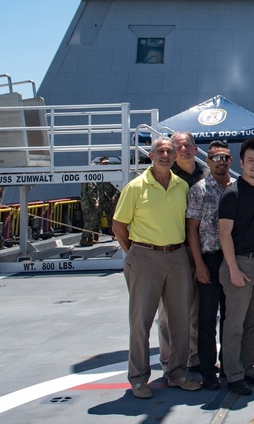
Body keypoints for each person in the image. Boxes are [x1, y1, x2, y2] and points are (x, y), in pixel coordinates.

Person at [111, 137, 201, 399]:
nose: (165, 155)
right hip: (145, 257)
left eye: (169, 152)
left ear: (175, 157)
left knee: (180, 320)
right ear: (150, 156)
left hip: (177, 256)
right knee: (141, 321)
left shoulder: (181, 186)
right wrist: (136, 254)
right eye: (160, 151)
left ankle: (177, 373)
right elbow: (119, 226)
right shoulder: (136, 187)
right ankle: (138, 378)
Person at [218, 138, 254, 395]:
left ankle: (248, 369)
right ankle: (233, 375)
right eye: (250, 160)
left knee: (253, 323)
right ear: (240, 163)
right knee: (234, 325)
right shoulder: (231, 194)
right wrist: (233, 269)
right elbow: (224, 234)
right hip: (238, 264)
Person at [186, 140, 234, 390]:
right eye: (216, 158)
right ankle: (208, 370)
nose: (221, 162)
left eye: (225, 157)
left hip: (232, 260)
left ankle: (229, 367)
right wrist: (199, 264)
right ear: (208, 161)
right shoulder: (200, 189)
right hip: (210, 257)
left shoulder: (237, 187)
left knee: (231, 316)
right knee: (207, 318)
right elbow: (192, 229)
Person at [159, 131, 208, 372]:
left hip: (203, 251)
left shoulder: (207, 175)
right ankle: (169, 359)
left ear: (196, 148)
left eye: (188, 145)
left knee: (197, 308)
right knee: (169, 310)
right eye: (178, 146)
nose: (183, 150)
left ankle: (195, 357)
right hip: (175, 250)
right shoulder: (165, 177)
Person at [79, 157, 119, 246]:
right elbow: (92, 189)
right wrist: (95, 201)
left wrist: (113, 197)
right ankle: (88, 238)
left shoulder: (109, 174)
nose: (105, 165)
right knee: (93, 220)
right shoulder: (94, 175)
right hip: (96, 201)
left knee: (111, 217)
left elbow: (117, 187)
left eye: (107, 163)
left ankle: (113, 234)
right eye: (104, 163)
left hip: (107, 199)